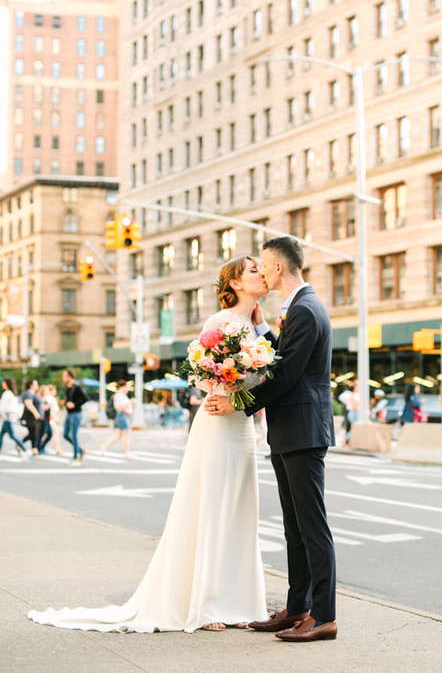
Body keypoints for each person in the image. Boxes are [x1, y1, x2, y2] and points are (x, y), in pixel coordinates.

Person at [28, 256, 268, 633]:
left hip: (241, 425)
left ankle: (238, 601)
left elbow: (266, 374)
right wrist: (227, 380)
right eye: (253, 269)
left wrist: (246, 383)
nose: (263, 273)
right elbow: (204, 377)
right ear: (235, 283)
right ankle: (204, 604)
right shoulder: (219, 324)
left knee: (239, 508)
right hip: (217, 420)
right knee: (211, 505)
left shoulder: (257, 328)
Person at [205, 236, 338, 642]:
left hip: (302, 431)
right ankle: (297, 607)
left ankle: (324, 615)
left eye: (263, 264)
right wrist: (262, 326)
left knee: (312, 527)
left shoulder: (306, 309)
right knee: (294, 528)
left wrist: (237, 404)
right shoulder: (297, 308)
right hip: (289, 431)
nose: (261, 271)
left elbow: (285, 375)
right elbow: (283, 357)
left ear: (279, 268)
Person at [62, 368, 88, 466]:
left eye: (64, 376)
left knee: (74, 435)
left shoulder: (76, 387)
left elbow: (85, 398)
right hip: (69, 414)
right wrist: (65, 403)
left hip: (76, 414)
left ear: (69, 377)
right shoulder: (67, 388)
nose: (63, 378)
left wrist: (75, 404)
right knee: (65, 435)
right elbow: (68, 401)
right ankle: (80, 450)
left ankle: (75, 458)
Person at [102, 381, 134, 456]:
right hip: (123, 415)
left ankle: (105, 446)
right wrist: (130, 402)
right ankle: (127, 452)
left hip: (122, 416)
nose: (127, 389)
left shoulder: (121, 395)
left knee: (118, 435)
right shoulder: (119, 395)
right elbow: (118, 408)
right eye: (126, 387)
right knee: (126, 434)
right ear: (121, 387)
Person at [0, 377, 28, 455]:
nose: (2, 384)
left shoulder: (7, 393)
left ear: (6, 384)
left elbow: (3, 407)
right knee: (1, 435)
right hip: (10, 416)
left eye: (3, 383)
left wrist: (3, 415)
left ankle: (24, 449)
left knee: (11, 435)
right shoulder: (12, 393)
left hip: (7, 416)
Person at [21, 379, 44, 455]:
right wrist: (36, 413)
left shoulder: (34, 393)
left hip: (36, 416)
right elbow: (28, 404)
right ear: (31, 385)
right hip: (30, 416)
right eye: (36, 384)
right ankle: (34, 448)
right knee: (33, 433)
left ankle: (22, 445)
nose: (37, 386)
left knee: (34, 433)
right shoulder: (28, 393)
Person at [39, 385, 63, 455]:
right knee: (52, 433)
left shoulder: (46, 398)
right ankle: (57, 448)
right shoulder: (51, 398)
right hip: (49, 419)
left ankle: (41, 447)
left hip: (48, 419)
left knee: (47, 434)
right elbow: (55, 409)